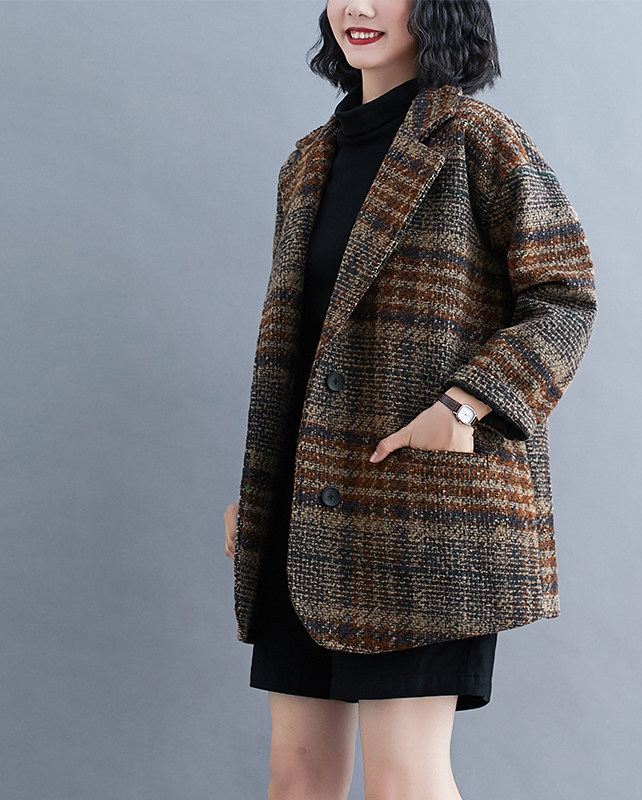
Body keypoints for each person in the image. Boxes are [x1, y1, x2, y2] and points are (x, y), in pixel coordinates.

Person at [224, 1, 597, 798]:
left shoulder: (479, 141)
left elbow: (565, 298)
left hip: (424, 514)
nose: (358, 7)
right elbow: (305, 347)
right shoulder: (308, 162)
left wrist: (466, 406)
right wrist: (259, 495)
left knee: (403, 781)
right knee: (295, 777)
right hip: (306, 519)